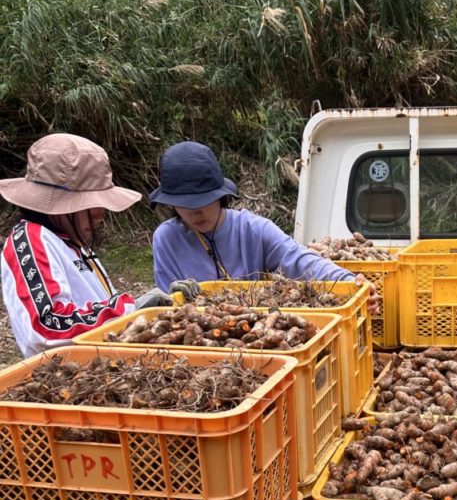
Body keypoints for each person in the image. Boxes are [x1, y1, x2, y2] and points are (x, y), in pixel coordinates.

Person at [0, 133, 178, 359]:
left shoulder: (71, 242)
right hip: (65, 377)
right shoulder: (31, 239)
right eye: (93, 207)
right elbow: (46, 327)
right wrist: (129, 308)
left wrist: (145, 310)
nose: (100, 215)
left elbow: (99, 309)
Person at [149, 141, 371, 299]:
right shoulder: (167, 239)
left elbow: (299, 260)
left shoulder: (251, 229)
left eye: (203, 201)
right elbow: (168, 303)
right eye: (185, 205)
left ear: (220, 196)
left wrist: (350, 282)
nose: (195, 213)